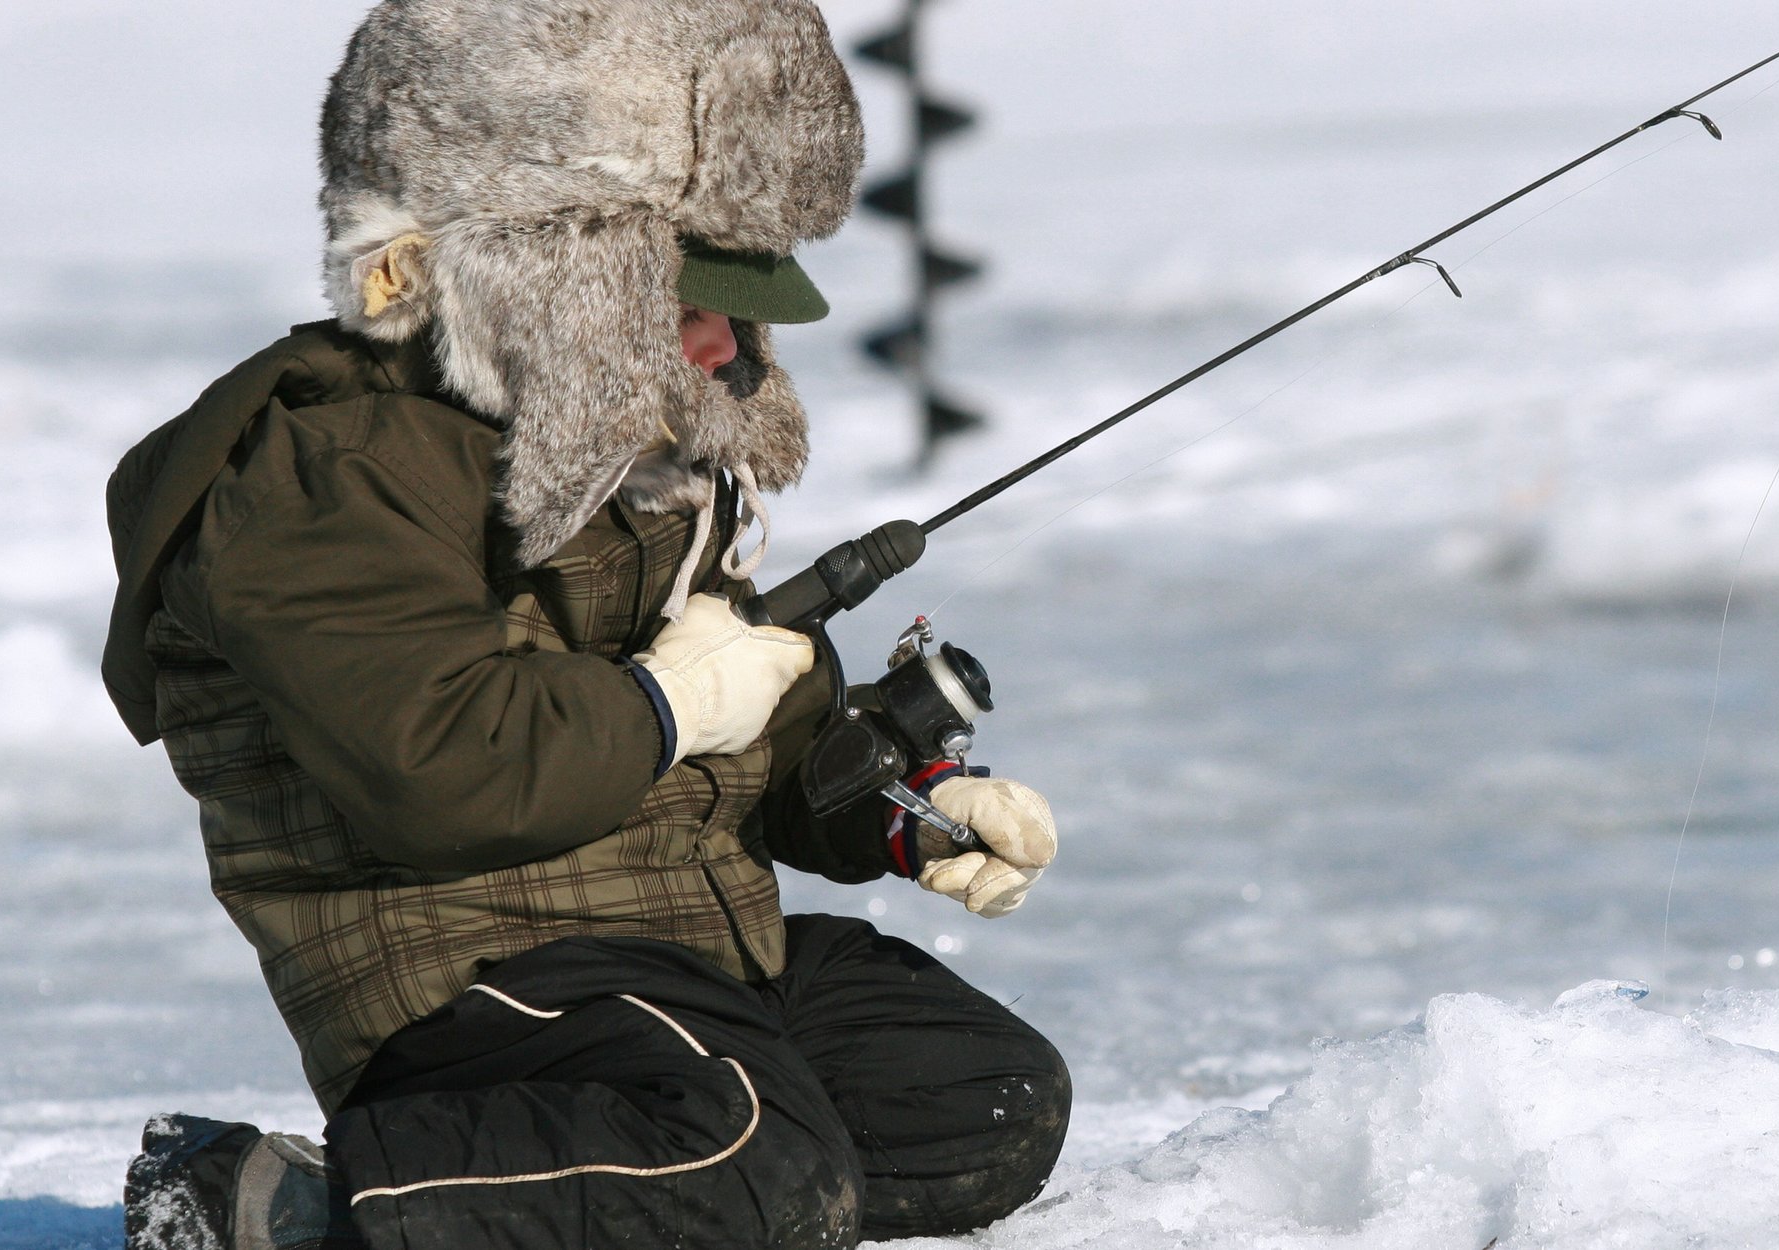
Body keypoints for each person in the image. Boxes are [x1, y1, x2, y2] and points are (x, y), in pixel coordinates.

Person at [99, 2, 1069, 1246]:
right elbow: (441, 768)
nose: (723, 343)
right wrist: (666, 706)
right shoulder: (326, 477)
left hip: (685, 948)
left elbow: (765, 735)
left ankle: (658, 1187)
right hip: (466, 980)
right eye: (680, 304)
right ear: (538, 286)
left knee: (975, 1101)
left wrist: (899, 806)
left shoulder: (651, 452)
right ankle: (280, 1204)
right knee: (753, 1158)